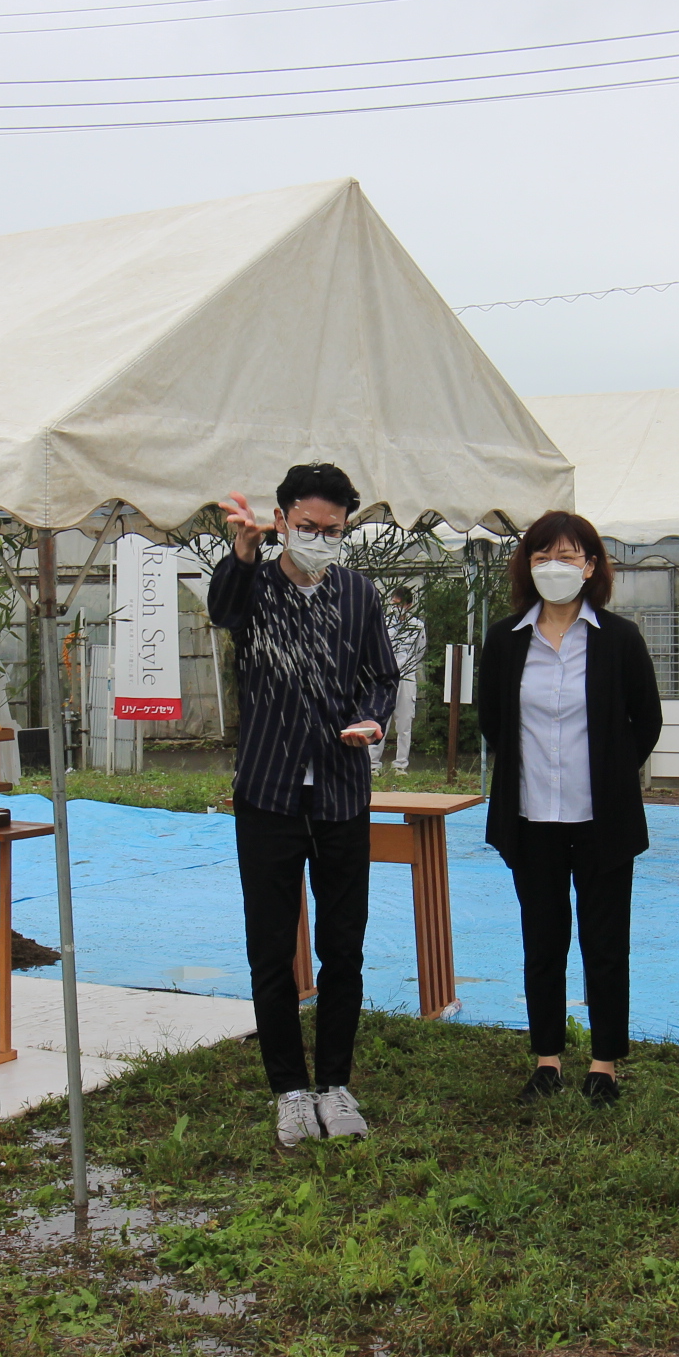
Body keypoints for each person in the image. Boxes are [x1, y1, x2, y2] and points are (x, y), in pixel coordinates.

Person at [208, 463, 403, 1150]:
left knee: (342, 947)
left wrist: (373, 721)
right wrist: (241, 551)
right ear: (283, 519)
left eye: (334, 530)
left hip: (343, 792)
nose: (322, 539)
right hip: (268, 792)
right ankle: (289, 1090)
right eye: (310, 527)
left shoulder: (358, 593)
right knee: (270, 949)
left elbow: (382, 675)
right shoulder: (253, 583)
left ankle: (335, 1084)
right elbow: (222, 612)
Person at [476, 512, 662, 1105]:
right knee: (543, 939)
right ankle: (547, 1058)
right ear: (528, 565)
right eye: (543, 555)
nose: (556, 566)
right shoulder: (507, 640)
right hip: (532, 818)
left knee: (606, 942)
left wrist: (607, 770)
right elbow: (494, 722)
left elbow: (646, 720)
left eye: (569, 556)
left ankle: (604, 1063)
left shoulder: (618, 637)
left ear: (590, 566)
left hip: (601, 818)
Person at [371, 586, 427, 774]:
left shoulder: (417, 625)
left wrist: (406, 668)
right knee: (381, 721)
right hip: (386, 677)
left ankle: (400, 765)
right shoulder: (383, 623)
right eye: (393, 603)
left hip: (407, 677)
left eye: (400, 604)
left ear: (408, 605)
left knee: (404, 723)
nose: (396, 607)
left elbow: (420, 652)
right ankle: (373, 764)